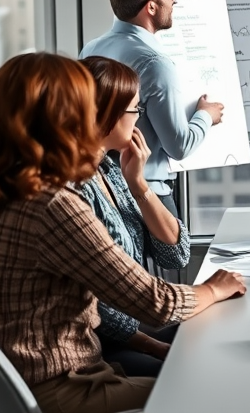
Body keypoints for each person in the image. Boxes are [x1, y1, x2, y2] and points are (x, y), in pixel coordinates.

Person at [0, 52, 246, 413]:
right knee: (219, 393)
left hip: (27, 384)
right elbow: (157, 303)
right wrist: (213, 288)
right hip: (66, 387)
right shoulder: (52, 203)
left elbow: (170, 256)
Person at [80, 0, 224, 217]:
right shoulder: (154, 63)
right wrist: (206, 115)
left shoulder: (91, 49)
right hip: (146, 195)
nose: (175, 2)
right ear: (152, 7)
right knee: (174, 258)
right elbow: (179, 146)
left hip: (102, 190)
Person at [78, 56, 191, 378]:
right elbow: (95, 303)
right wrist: (152, 345)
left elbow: (176, 253)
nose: (138, 121)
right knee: (192, 372)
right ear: (106, 115)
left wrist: (138, 184)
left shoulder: (110, 170)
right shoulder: (74, 188)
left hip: (139, 323)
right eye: (135, 111)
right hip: (102, 344)